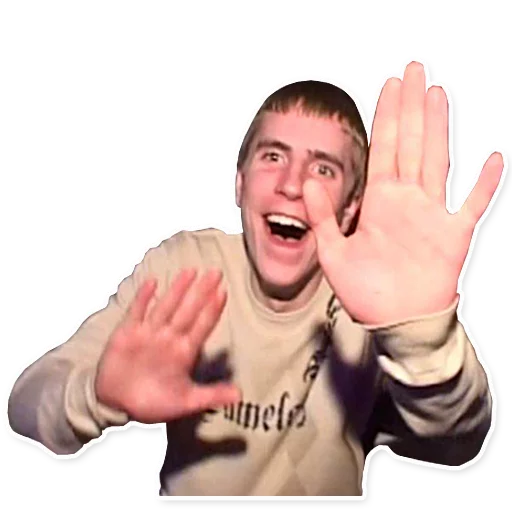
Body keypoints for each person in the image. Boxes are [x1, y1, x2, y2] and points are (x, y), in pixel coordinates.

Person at [5, 59, 505, 497]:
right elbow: (23, 406)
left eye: (324, 170)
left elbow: (459, 444)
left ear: (352, 206)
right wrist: (95, 397)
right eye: (273, 157)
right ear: (239, 183)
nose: (292, 185)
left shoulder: (379, 295)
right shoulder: (184, 266)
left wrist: (421, 341)